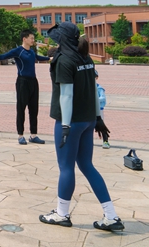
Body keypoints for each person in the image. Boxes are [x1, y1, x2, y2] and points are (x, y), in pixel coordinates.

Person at [39, 24, 124, 232]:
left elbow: (66, 95)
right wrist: (98, 117)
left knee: (66, 167)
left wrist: (65, 125)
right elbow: (94, 89)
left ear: (63, 39)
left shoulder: (64, 60)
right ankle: (111, 216)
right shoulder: (85, 58)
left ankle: (61, 214)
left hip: (71, 121)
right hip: (88, 120)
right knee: (87, 165)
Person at [0, 30, 51, 145]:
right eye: (31, 38)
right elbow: (4, 56)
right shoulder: (18, 51)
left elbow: (38, 57)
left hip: (33, 82)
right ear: (24, 39)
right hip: (22, 82)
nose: (33, 40)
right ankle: (20, 135)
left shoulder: (32, 51)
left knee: (34, 109)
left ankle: (33, 135)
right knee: (21, 108)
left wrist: (49, 58)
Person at [96, 71, 110, 149]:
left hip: (98, 109)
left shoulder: (99, 88)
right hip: (88, 110)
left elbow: (103, 98)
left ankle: (105, 141)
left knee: (101, 125)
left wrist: (94, 100)